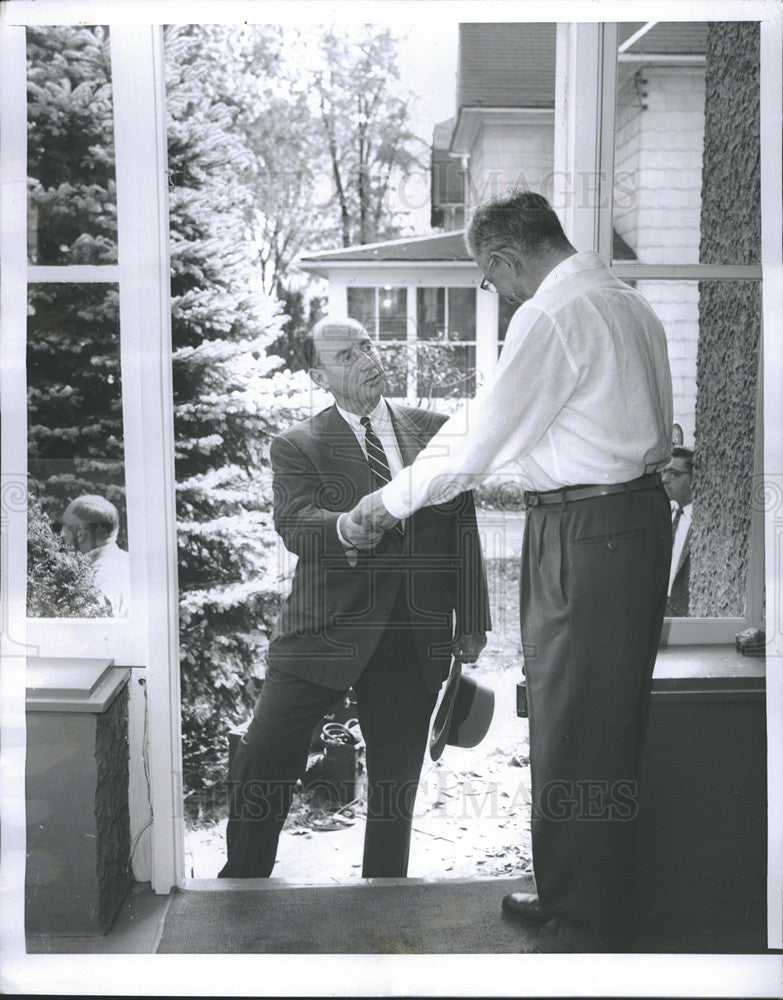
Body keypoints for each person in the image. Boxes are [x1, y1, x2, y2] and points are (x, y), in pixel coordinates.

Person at [346, 191, 673, 951]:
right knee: (590, 719)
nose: (496, 292)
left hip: (587, 530)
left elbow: (476, 443)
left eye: (489, 279)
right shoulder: (624, 303)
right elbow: (490, 411)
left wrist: (385, 505)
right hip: (623, 522)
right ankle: (576, 893)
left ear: (502, 257)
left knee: (576, 723)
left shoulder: (552, 316)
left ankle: (584, 923)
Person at [218, 318, 490, 880]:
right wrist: (342, 525)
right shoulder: (298, 444)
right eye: (346, 355)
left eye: (367, 345)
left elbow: (463, 525)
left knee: (395, 787)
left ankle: (383, 902)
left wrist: (473, 616)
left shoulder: (437, 431)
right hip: (323, 628)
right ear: (320, 375)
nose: (366, 358)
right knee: (264, 758)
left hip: (411, 633)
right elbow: (294, 522)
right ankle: (240, 889)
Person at [61, 494, 130, 617]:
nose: (61, 533)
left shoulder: (91, 582)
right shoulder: (131, 563)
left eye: (65, 526)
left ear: (80, 533)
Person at [662, 446, 694, 617]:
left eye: (673, 473)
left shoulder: (699, 521)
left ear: (694, 479)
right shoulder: (669, 514)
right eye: (664, 472)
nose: (665, 479)